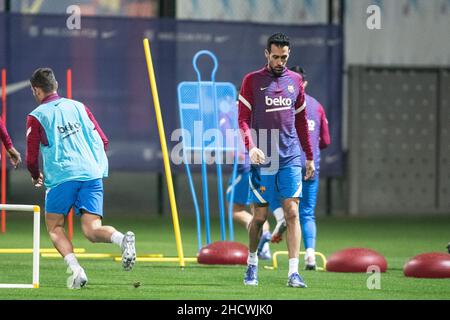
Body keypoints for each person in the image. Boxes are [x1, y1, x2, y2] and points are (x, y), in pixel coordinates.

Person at [26, 68, 136, 289]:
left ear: (36, 90)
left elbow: (31, 156)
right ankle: (122, 239)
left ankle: (77, 271)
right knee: (92, 230)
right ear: (56, 86)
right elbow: (103, 140)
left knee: (55, 227)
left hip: (62, 176)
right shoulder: (79, 106)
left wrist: (35, 174)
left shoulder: (36, 116)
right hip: (91, 173)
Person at [238, 33, 315, 288]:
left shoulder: (295, 82)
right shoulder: (252, 81)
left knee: (292, 211)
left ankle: (293, 273)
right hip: (263, 156)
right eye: (275, 57)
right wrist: (251, 147)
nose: (279, 61)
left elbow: (302, 123)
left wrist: (310, 157)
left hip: (290, 156)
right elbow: (242, 120)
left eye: (284, 57)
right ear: (266, 54)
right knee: (259, 218)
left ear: (288, 55)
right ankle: (251, 264)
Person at [270, 66, 331, 270]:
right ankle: (311, 256)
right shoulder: (317, 106)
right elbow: (326, 141)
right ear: (305, 83)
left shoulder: (282, 103)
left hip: (290, 163)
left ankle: (279, 219)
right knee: (307, 213)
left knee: (271, 196)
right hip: (311, 165)